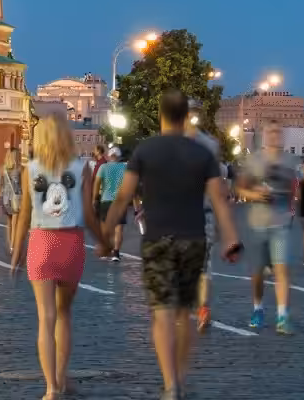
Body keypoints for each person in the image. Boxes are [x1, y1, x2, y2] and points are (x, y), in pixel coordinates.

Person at [104, 91, 240, 400]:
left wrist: (104, 233)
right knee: (185, 311)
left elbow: (123, 196)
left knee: (162, 313)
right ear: (185, 116)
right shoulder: (203, 154)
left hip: (158, 239)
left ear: (162, 114)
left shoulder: (145, 150)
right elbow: (219, 199)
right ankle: (181, 374)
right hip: (193, 238)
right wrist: (231, 237)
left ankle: (170, 385)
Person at [8, 108, 103, 400]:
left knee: (45, 318)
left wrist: (16, 250)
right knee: (64, 315)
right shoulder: (81, 168)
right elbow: (88, 213)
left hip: (41, 243)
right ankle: (62, 378)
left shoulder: (30, 170)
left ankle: (51, 389)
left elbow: (24, 214)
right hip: (71, 243)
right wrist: (105, 241)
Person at [236, 120, 297, 333]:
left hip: (280, 224)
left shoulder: (290, 161)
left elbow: (293, 189)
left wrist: (291, 210)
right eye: (270, 132)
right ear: (263, 136)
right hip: (258, 224)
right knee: (258, 273)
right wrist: (255, 194)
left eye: (277, 132)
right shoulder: (254, 161)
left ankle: (282, 316)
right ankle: (258, 308)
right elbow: (241, 189)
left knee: (282, 268)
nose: (274, 135)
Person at [182, 117, 223, 333]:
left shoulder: (172, 144)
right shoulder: (211, 145)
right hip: (204, 214)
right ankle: (203, 307)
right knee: (204, 268)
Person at [93, 147, 129, 261]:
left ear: (109, 156)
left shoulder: (103, 167)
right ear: (118, 156)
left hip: (106, 200)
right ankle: (116, 253)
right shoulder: (125, 167)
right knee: (118, 229)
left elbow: (97, 184)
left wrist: (95, 199)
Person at [0, 144, 23, 256]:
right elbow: (22, 185)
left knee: (9, 223)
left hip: (5, 198)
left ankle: (10, 245)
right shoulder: (20, 169)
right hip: (16, 197)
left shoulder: (2, 168)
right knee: (15, 223)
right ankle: (13, 246)